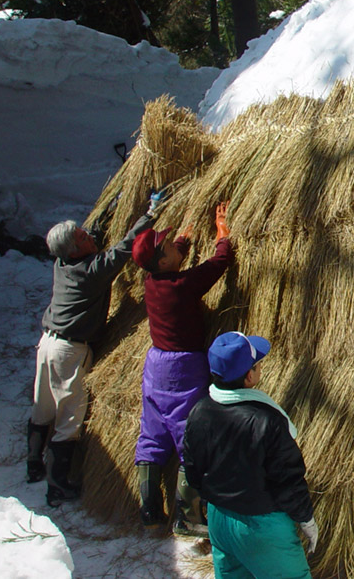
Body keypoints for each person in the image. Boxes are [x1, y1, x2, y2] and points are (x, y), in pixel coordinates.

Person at [27, 195, 159, 506]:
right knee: (68, 419)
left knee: (42, 407)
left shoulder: (62, 264)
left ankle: (33, 464)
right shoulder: (92, 271)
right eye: (83, 238)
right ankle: (58, 486)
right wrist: (149, 215)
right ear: (74, 250)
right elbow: (124, 248)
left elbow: (93, 240)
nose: (90, 238)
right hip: (69, 351)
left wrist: (99, 224)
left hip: (46, 344)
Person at [130, 202, 234, 533]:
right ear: (163, 261)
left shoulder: (152, 281)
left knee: (152, 433)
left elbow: (171, 258)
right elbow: (219, 263)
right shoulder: (182, 286)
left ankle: (148, 510)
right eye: (167, 246)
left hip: (155, 365)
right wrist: (222, 234)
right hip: (183, 368)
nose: (174, 244)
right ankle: (187, 518)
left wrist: (184, 240)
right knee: (191, 435)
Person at [184, 332, 318, 578]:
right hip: (262, 526)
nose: (260, 369)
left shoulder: (199, 411)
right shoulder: (267, 421)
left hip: (219, 519)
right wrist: (305, 518)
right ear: (249, 376)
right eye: (257, 365)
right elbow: (288, 479)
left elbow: (192, 471)